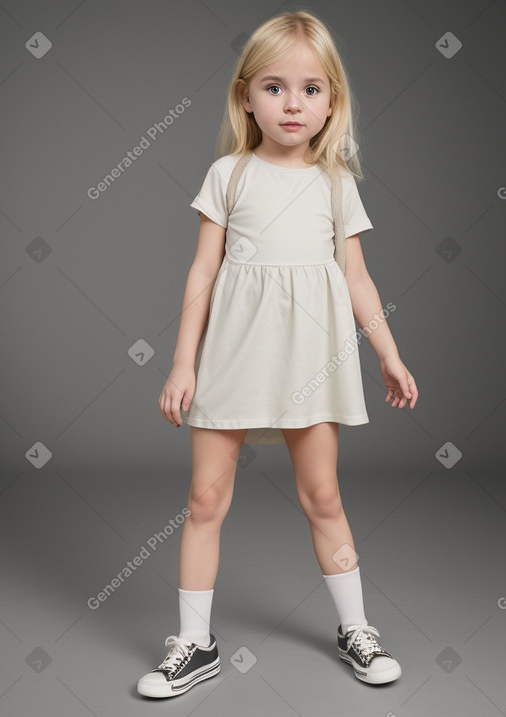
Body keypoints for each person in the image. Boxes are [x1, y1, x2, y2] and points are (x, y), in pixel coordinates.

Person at [137, 9, 418, 699]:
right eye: (274, 86)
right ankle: (195, 643)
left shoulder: (334, 183)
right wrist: (182, 361)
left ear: (331, 104)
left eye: (312, 89)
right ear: (245, 97)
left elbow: (356, 277)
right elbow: (201, 273)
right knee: (205, 498)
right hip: (234, 354)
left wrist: (388, 350)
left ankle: (356, 627)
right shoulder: (228, 175)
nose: (293, 102)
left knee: (322, 493)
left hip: (310, 360)